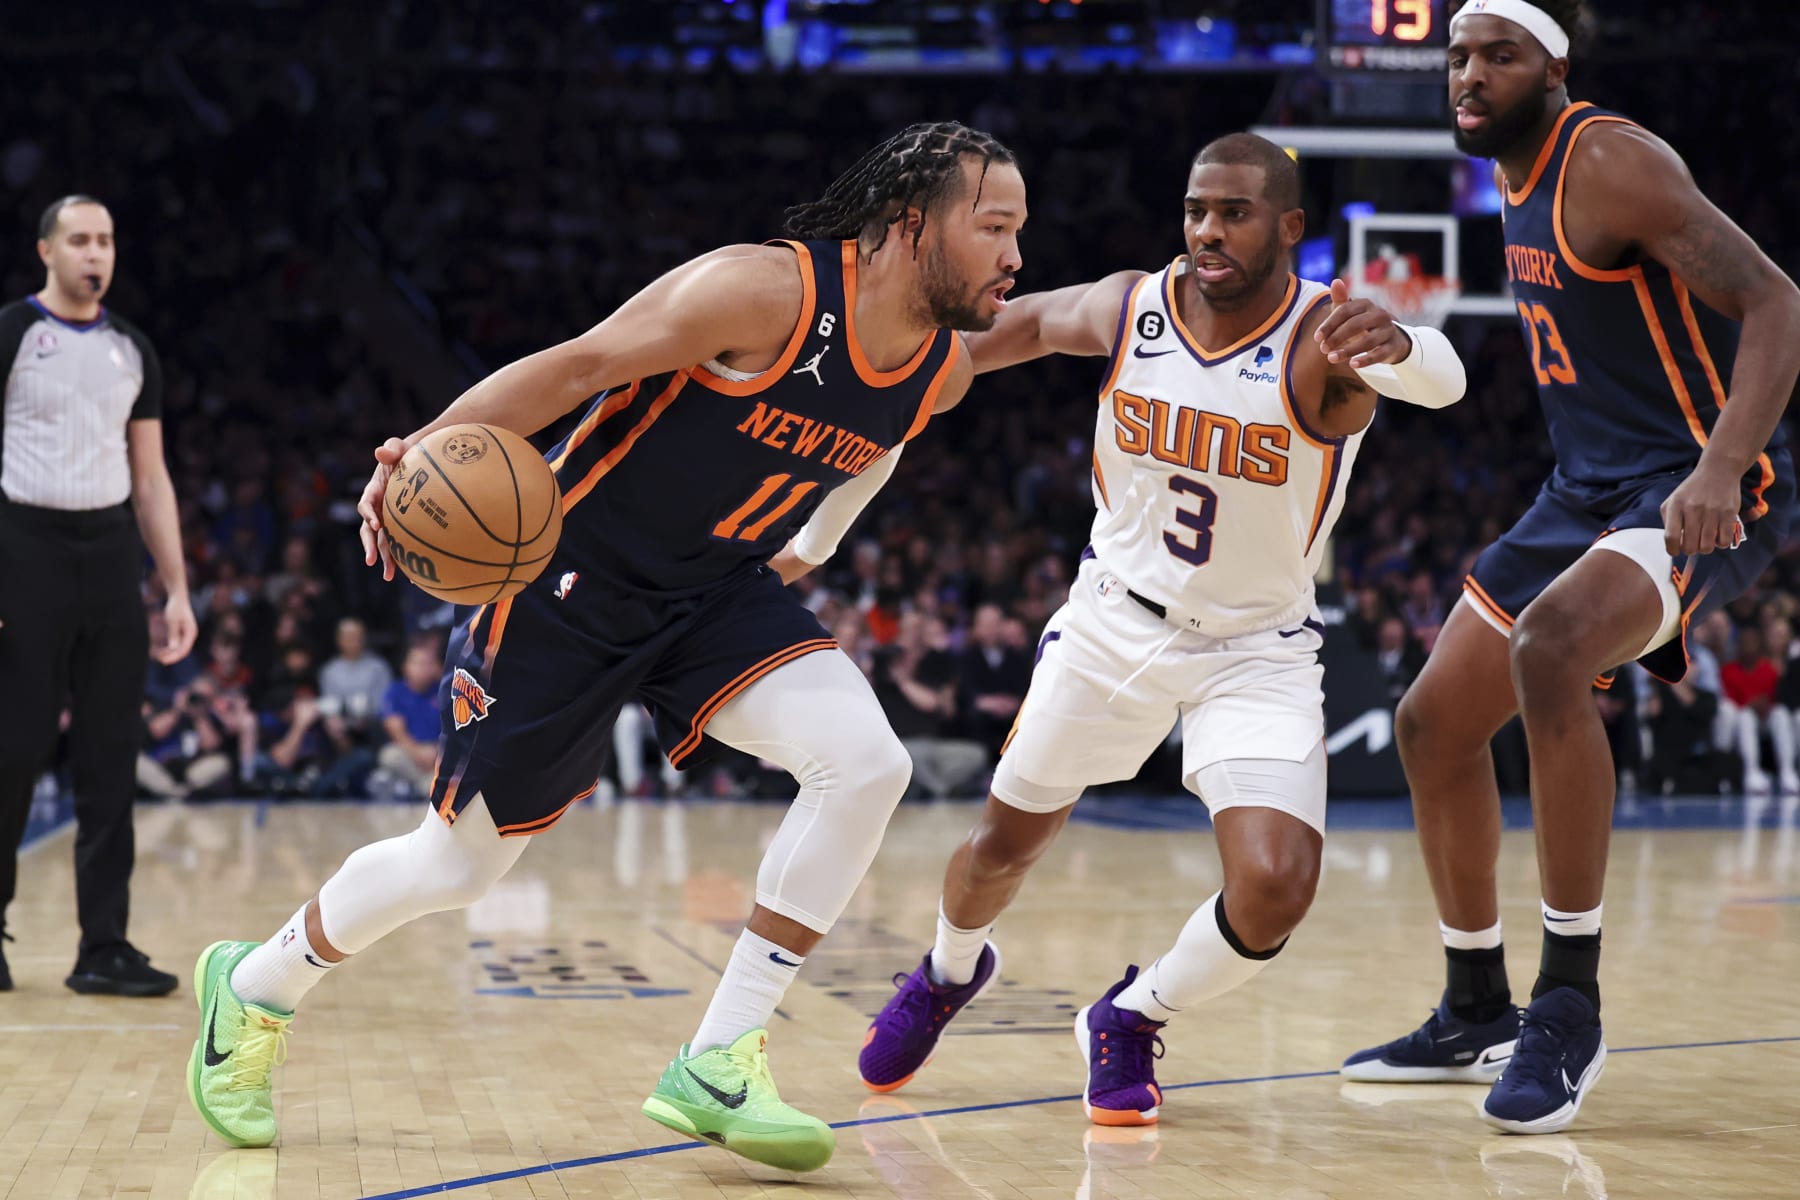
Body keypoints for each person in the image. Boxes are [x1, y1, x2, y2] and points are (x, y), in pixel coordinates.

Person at [184, 122, 1025, 1172]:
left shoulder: (938, 371)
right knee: (459, 867)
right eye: (994, 226)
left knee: (866, 762)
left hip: (714, 593)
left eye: (1019, 231)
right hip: (565, 581)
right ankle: (254, 988)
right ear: (912, 224)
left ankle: (719, 1057)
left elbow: (861, 464)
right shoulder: (762, 293)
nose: (1014, 254)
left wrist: (807, 553)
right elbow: (578, 367)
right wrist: (415, 455)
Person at [854, 133, 1467, 1125]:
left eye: (1234, 212)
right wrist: (881, 376)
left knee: (1275, 887)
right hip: (1112, 626)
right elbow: (1010, 332)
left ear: (1290, 228)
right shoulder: (1134, 304)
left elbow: (1445, 380)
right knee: (1001, 846)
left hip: (1254, 651)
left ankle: (1131, 1014)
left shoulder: (1330, 336)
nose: (1208, 231)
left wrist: (1402, 345)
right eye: (1195, 210)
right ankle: (947, 969)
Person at [1340, 0, 1800, 1134]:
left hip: (1701, 482)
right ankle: (1473, 1004)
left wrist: (1717, 470)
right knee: (1431, 725)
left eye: (1498, 55)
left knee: (1551, 650)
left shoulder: (1609, 161)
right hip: (1585, 490)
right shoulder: (1506, 165)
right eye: (1458, 55)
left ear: (1555, 64)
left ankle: (1569, 1003)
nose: (1470, 74)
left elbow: (1776, 300)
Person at [0, 195, 195, 996]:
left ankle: (103, 945)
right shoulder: (12, 333)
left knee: (112, 758)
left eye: (106, 240)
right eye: (79, 239)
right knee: (12, 751)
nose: (95, 253)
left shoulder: (133, 349)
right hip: (24, 547)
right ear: (46, 250)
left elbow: (150, 478)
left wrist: (176, 588)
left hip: (110, 553)